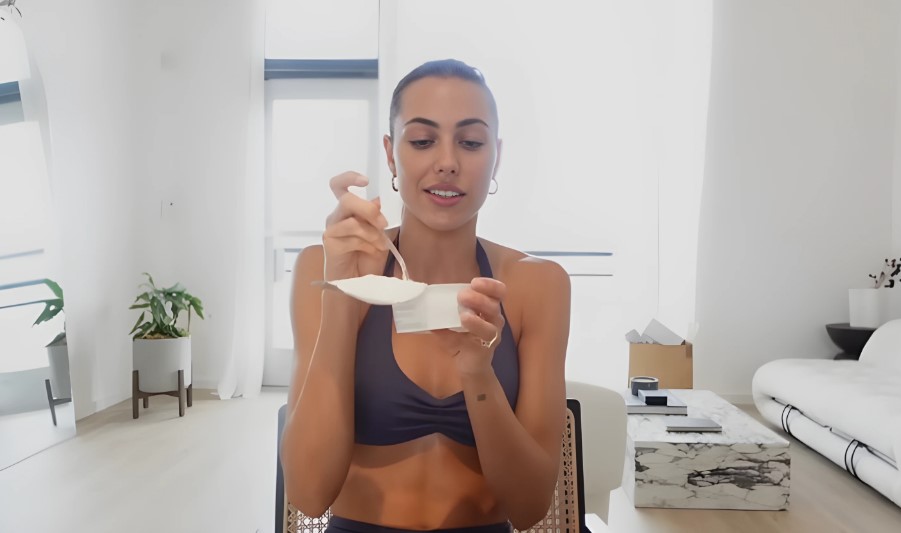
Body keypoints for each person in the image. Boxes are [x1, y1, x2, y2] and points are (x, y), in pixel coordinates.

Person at [280, 59, 571, 533]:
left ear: (495, 155)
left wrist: (479, 374)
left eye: (471, 142)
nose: (448, 162)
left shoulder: (538, 285)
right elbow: (310, 494)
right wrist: (343, 295)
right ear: (392, 155)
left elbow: (530, 505)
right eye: (422, 140)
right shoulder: (326, 266)